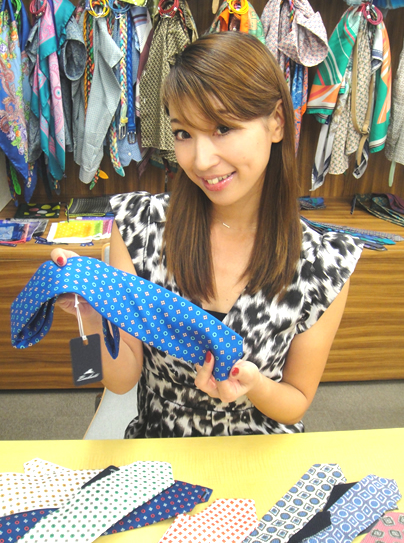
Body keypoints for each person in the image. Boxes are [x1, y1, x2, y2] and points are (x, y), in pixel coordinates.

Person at [51, 32, 363, 438]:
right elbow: (122, 379)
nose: (200, 160)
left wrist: (255, 386)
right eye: (183, 133)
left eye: (222, 128)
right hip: (162, 451)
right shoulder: (139, 228)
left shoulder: (323, 264)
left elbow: (296, 400)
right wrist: (91, 315)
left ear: (276, 122)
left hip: (261, 451)